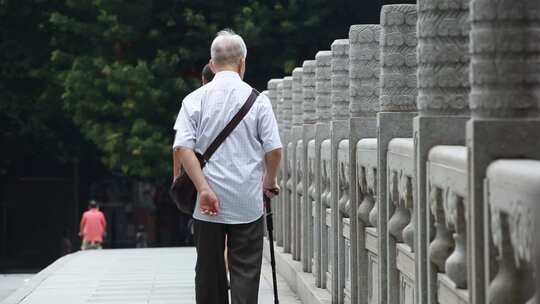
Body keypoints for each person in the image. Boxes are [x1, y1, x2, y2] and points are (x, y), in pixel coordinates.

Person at [173, 29, 282, 304]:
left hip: (207, 201)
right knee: (245, 269)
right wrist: (269, 180)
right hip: (247, 200)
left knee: (209, 271)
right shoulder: (258, 100)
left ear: (211, 64)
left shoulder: (193, 100)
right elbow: (274, 149)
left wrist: (203, 188)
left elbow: (183, 148)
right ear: (243, 62)